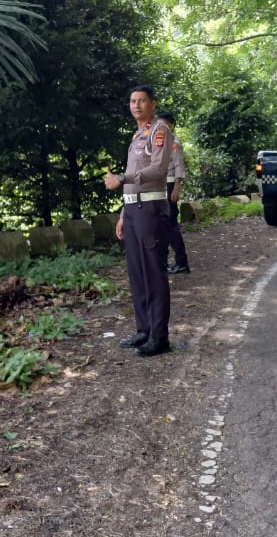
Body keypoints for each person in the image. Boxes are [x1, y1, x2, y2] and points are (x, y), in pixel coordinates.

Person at [104, 86, 175, 357]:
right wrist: (123, 214)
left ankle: (159, 336)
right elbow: (134, 178)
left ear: (152, 104)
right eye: (132, 101)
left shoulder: (159, 131)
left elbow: (157, 170)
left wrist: (121, 178)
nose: (136, 105)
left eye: (142, 101)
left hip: (151, 210)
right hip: (133, 211)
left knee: (154, 272)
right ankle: (144, 330)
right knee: (136, 273)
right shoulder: (137, 135)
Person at [158, 111, 190, 275]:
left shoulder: (174, 143)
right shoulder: (160, 142)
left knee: (171, 224)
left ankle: (182, 262)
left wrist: (177, 186)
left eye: (164, 124)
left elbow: (179, 166)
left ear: (170, 125)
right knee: (163, 224)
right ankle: (169, 261)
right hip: (161, 186)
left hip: (170, 184)